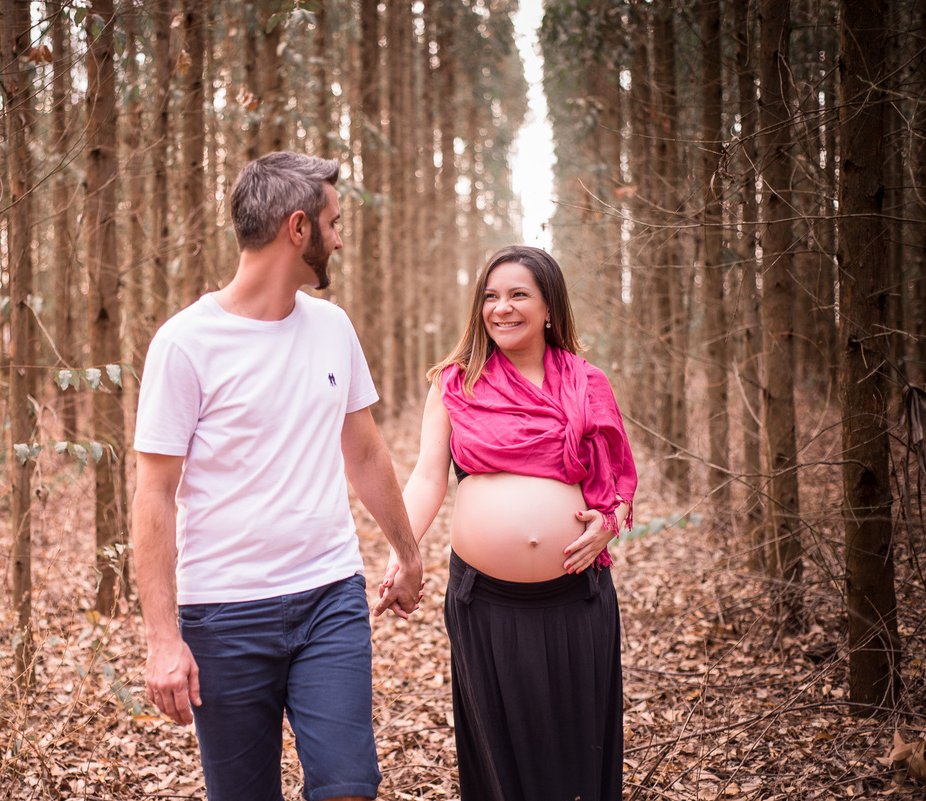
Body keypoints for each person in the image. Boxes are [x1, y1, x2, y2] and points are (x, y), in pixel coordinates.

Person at [130, 151, 424, 801]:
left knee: (350, 787)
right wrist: (162, 639)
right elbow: (153, 493)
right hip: (223, 615)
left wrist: (407, 552)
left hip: (330, 599)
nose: (340, 237)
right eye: (333, 221)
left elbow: (367, 453)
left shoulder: (333, 327)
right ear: (298, 229)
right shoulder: (185, 343)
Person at [387, 245, 637, 801]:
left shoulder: (586, 381)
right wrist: (401, 553)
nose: (502, 308)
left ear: (550, 307)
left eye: (519, 294)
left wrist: (609, 523)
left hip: (577, 596)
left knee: (577, 747)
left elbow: (618, 484)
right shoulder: (455, 383)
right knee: (502, 755)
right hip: (487, 602)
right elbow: (429, 478)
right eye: (491, 297)